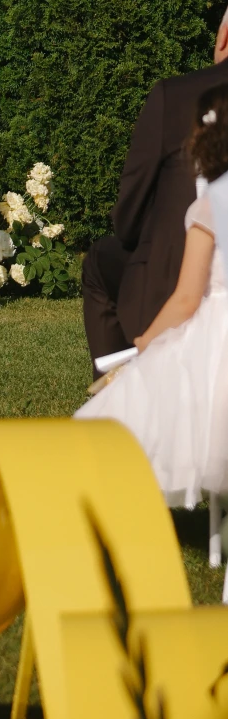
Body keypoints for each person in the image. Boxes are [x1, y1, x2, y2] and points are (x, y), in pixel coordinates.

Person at [76, 94, 228, 511]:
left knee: (147, 405)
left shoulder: (211, 207)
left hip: (218, 336)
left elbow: (186, 299)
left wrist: (147, 341)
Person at [81, 9, 228, 363]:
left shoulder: (176, 95)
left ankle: (115, 384)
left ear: (223, 37)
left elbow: (128, 219)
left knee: (101, 259)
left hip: (176, 290)